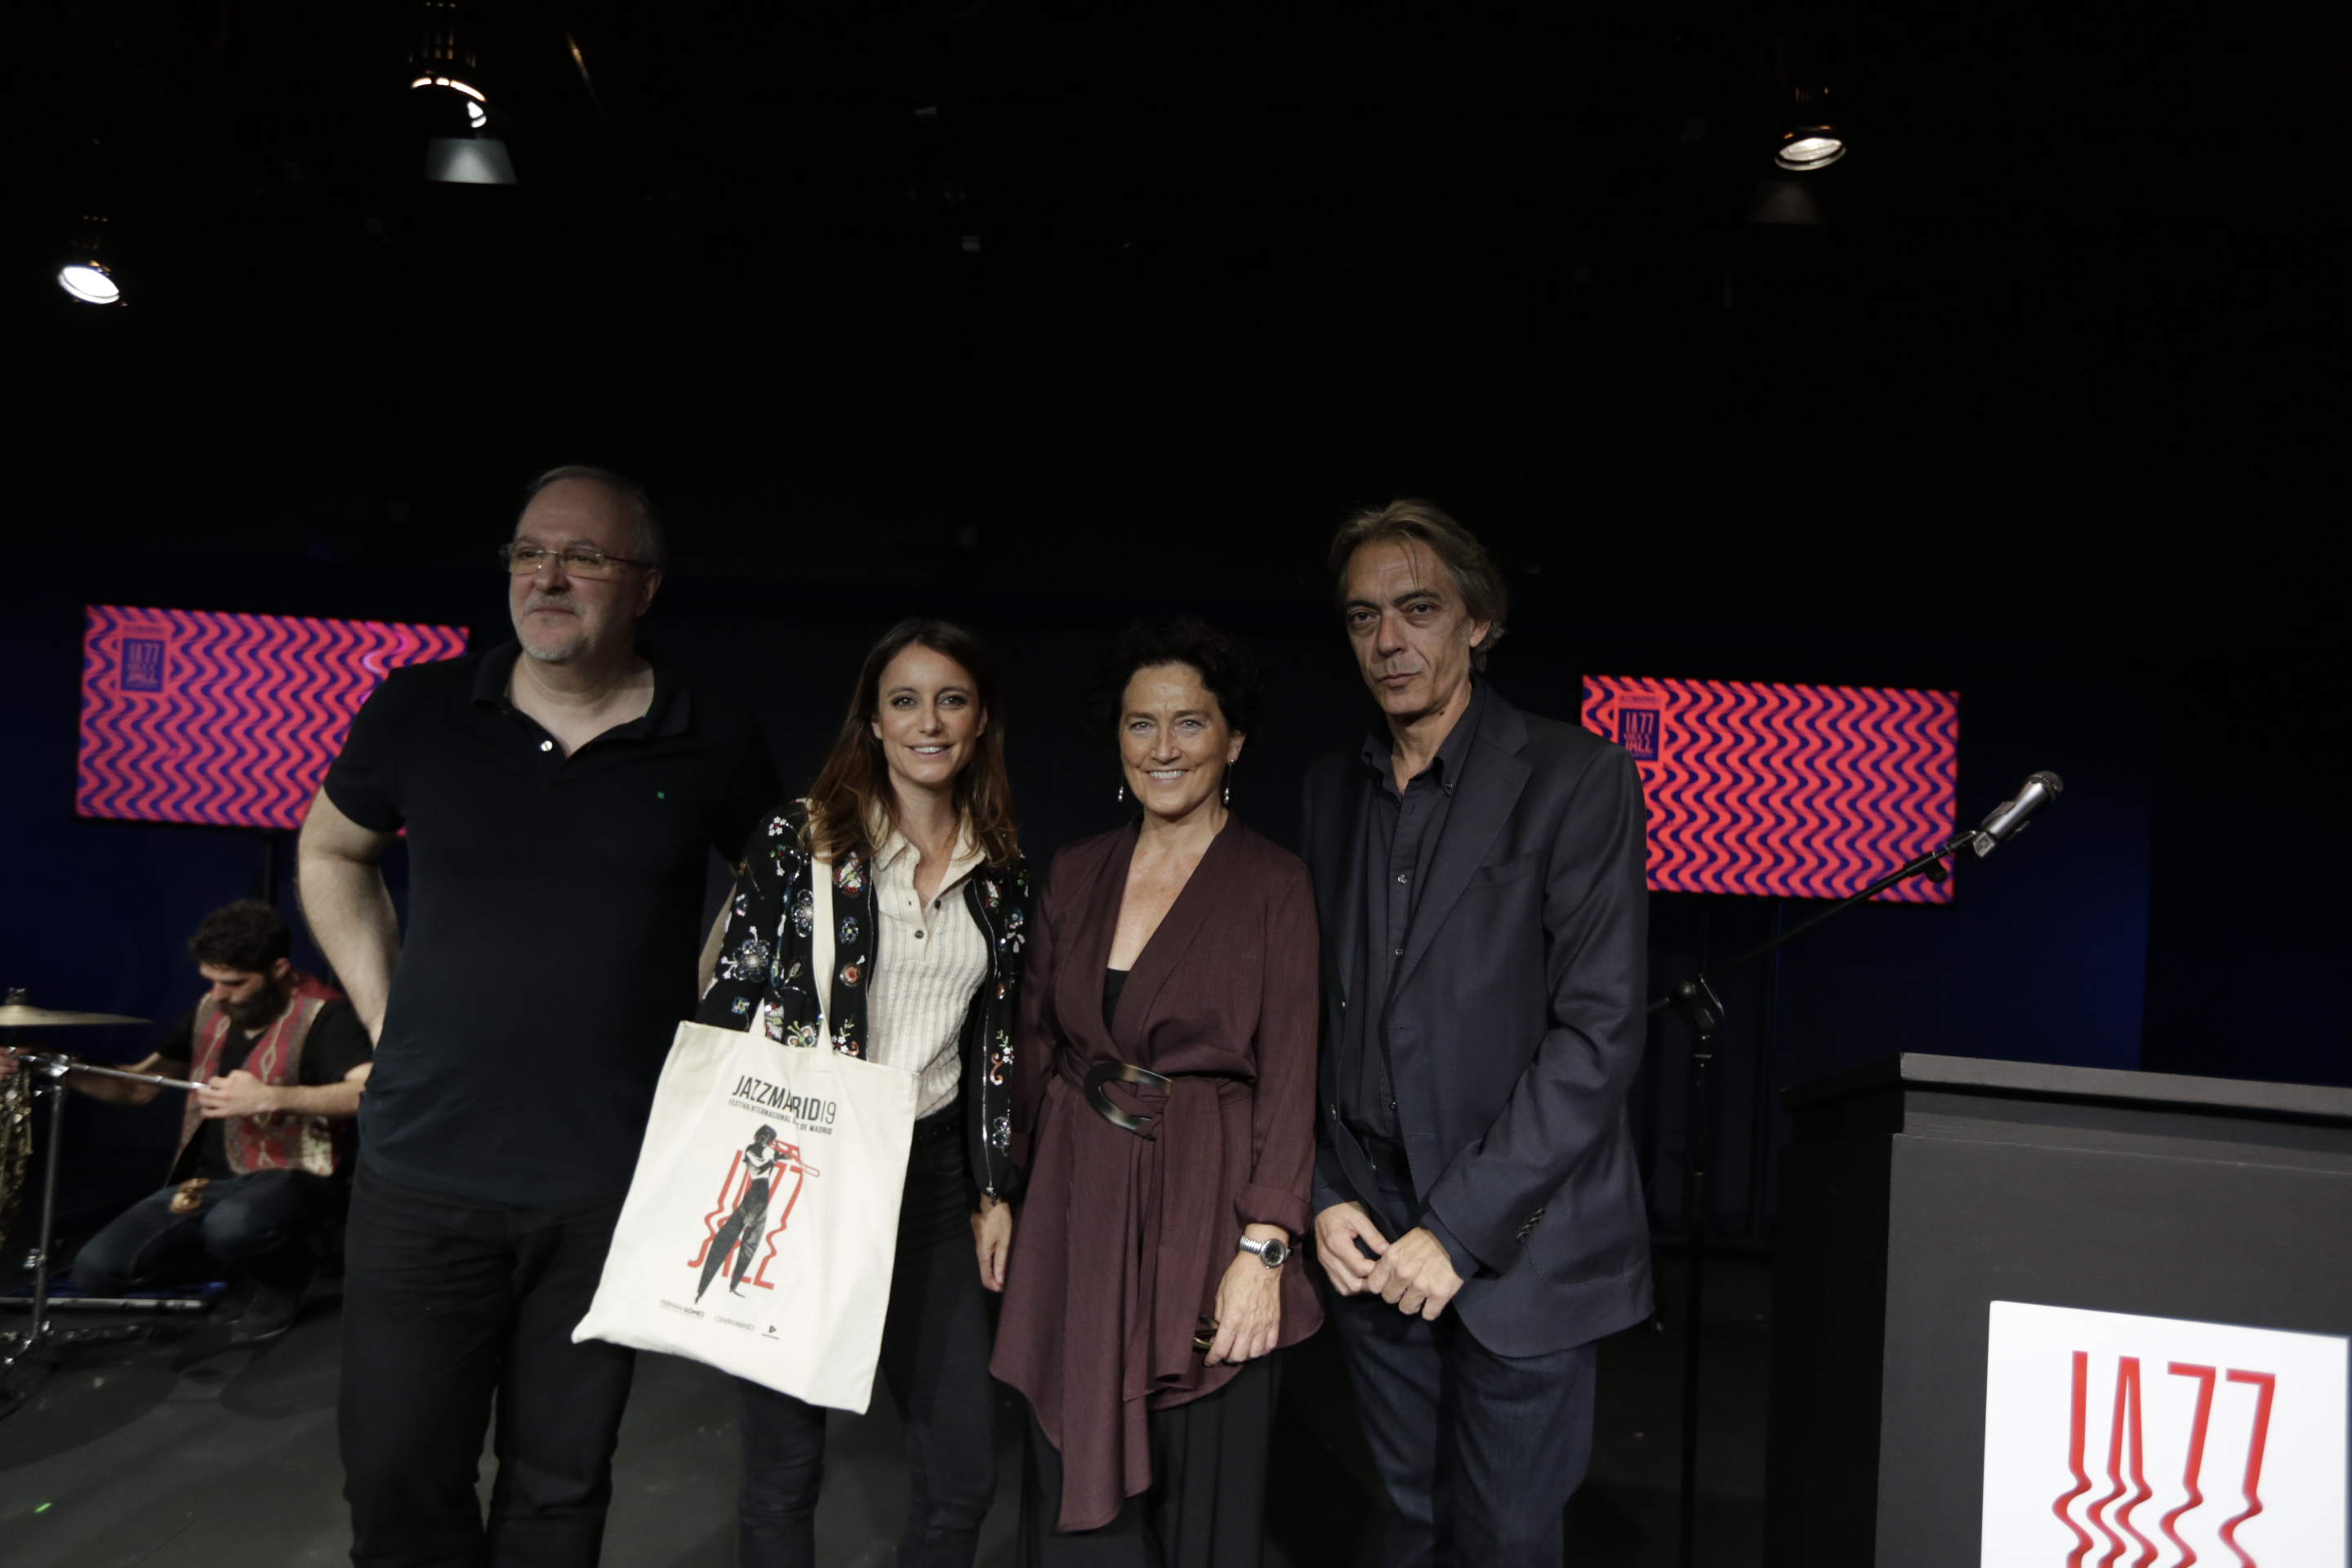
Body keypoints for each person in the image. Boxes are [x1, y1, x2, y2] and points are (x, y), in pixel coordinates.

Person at [298, 466, 781, 1567]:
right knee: (395, 1476)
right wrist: (386, 1013)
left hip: (605, 1187)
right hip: (424, 1174)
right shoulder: (419, 708)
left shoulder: (713, 734)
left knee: (559, 1493)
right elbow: (331, 848)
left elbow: (776, 887)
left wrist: (704, 1029)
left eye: (585, 557)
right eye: (527, 552)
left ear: (645, 587)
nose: (547, 577)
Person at [1300, 500, 1651, 1567]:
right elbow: (1312, 1013)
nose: (1388, 642)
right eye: (1364, 618)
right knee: (1407, 1527)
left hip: (1518, 1240)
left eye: (1418, 609)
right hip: (1370, 1224)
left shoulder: (1576, 778)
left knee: (1504, 1540)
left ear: (1480, 622)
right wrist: (1323, 1194)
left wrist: (1455, 1232)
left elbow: (1596, 1038)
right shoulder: (1330, 793)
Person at [696, 617, 1031, 1568]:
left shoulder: (1000, 870)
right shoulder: (800, 841)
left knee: (962, 1471)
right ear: (874, 723)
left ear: (980, 722)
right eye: (905, 700)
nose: (930, 721)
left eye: (952, 699)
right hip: (802, 1169)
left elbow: (993, 1042)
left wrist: (992, 1185)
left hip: (925, 1182)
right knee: (783, 1471)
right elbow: (729, 1002)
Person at [992, 617, 1322, 1566]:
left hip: (1208, 1216)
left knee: (1199, 1494)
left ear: (1235, 742)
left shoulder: (1274, 884)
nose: (1163, 747)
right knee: (1067, 1474)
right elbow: (1037, 1042)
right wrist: (1000, 1192)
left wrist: (1263, 1250)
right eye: (1142, 725)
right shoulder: (1078, 870)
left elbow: (1294, 1075)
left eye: (1189, 723)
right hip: (1078, 1213)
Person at [0, 899, 372, 1345]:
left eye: (233, 983)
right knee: (97, 1270)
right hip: (205, 1182)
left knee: (234, 1225)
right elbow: (137, 1087)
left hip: (295, 1175)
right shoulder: (211, 1009)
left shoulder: (327, 1015)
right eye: (211, 981)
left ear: (278, 969)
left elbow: (370, 1091)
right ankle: (234, 1266)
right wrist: (44, 1063)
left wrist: (272, 1096)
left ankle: (287, 1275)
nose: (218, 994)